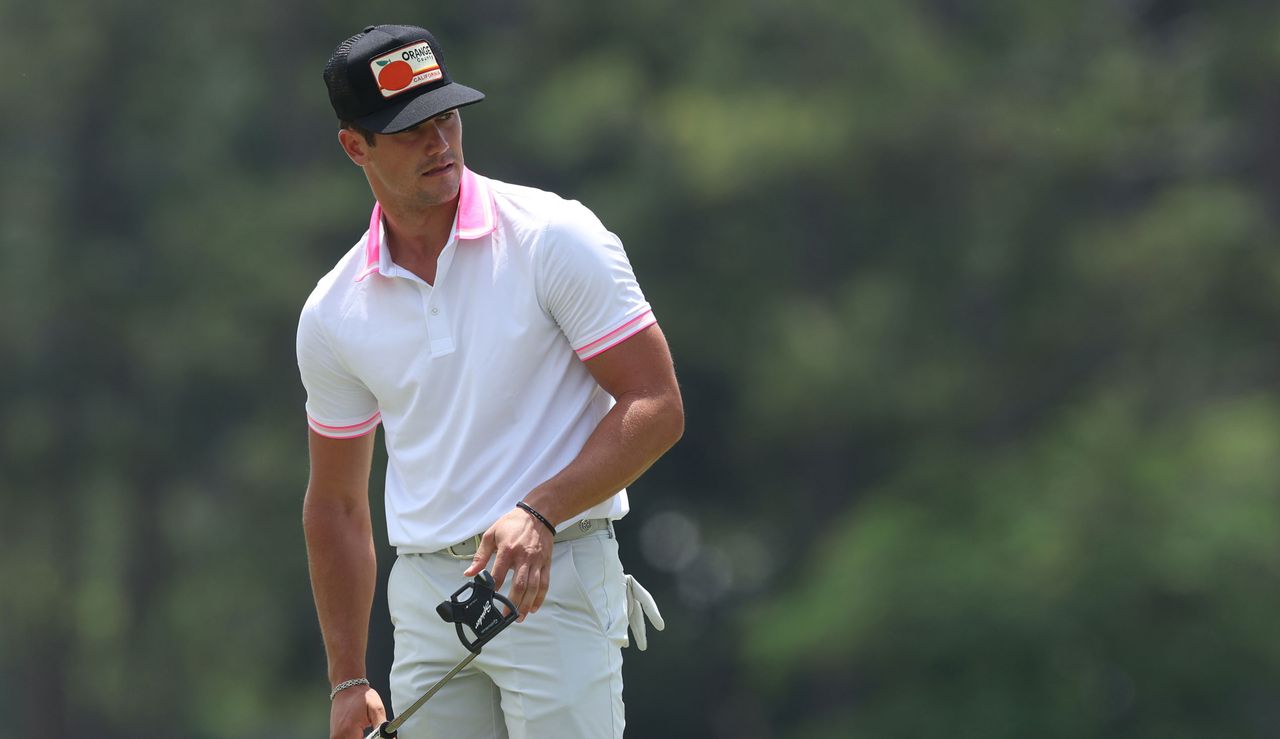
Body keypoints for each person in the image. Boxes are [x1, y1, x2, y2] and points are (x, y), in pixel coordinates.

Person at [297, 23, 684, 739]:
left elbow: (656, 404)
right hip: (426, 605)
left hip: (557, 577)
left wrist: (540, 510)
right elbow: (338, 509)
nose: (439, 141)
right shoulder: (333, 310)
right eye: (410, 128)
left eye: (445, 116)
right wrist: (348, 678)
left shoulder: (554, 237)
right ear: (356, 146)